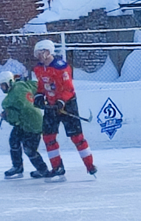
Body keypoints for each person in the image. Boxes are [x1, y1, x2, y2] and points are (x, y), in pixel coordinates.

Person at [32, 39, 97, 182]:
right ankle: (57, 167)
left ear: (48, 52)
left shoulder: (61, 67)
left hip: (67, 105)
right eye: (37, 53)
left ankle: (89, 165)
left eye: (41, 52)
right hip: (51, 106)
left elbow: (68, 88)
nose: (38, 56)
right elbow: (42, 86)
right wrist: (39, 96)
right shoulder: (38, 69)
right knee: (48, 137)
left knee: (77, 137)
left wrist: (61, 102)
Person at [0, 71, 49, 179]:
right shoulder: (22, 84)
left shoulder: (9, 100)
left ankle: (43, 170)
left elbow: (14, 117)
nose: (1, 88)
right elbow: (35, 85)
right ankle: (17, 166)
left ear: (10, 82)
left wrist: (6, 115)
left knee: (29, 149)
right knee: (14, 140)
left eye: (3, 85)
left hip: (33, 124)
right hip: (24, 123)